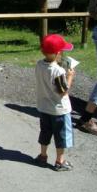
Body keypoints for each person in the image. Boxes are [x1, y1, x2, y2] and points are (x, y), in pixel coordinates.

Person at [34, 34, 75, 171]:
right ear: (58, 53)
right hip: (59, 110)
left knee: (45, 132)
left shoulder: (39, 65)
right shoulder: (58, 71)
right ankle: (60, 161)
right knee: (61, 136)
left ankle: (43, 156)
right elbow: (63, 91)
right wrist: (69, 77)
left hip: (44, 108)